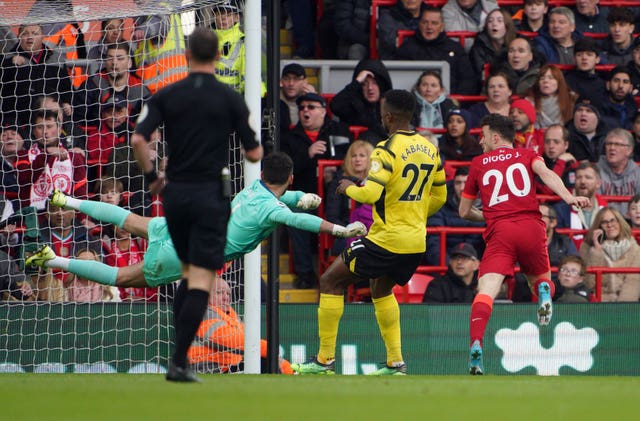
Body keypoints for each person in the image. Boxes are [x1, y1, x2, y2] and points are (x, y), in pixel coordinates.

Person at [26, 154, 366, 296]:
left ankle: (66, 200)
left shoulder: (253, 190)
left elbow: (283, 201)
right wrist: (339, 229)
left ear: (263, 174)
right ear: (290, 177)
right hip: (192, 253)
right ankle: (50, 259)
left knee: (131, 219)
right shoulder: (272, 210)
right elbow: (294, 218)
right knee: (123, 277)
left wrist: (300, 195)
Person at [131, 28, 263, 383]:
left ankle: (179, 358)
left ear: (187, 55)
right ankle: (179, 361)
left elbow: (139, 139)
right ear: (218, 56)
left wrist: (152, 178)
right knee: (201, 278)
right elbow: (254, 152)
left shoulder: (168, 93)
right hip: (208, 196)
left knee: (188, 274)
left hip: (174, 196)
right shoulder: (229, 98)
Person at [291, 89, 447, 376]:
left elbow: (371, 193)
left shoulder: (385, 150)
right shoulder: (430, 148)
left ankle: (324, 360)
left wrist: (347, 186)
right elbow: (440, 196)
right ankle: (395, 363)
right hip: (415, 241)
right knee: (381, 288)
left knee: (330, 280)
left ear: (387, 116)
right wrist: (412, 213)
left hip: (387, 240)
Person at [459, 113, 589, 375]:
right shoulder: (527, 155)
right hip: (531, 226)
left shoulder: (477, 163)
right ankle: (543, 291)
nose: (481, 142)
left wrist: (487, 214)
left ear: (495, 137)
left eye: (483, 136)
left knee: (486, 290)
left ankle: (476, 344)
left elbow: (463, 211)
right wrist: (569, 197)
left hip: (500, 231)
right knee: (540, 280)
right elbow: (547, 175)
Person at [281, 93, 353, 288]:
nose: (305, 111)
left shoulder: (339, 130)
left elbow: (351, 158)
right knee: (295, 216)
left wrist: (335, 168)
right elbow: (285, 170)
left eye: (311, 107)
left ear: (323, 111)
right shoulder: (289, 138)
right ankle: (305, 273)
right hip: (306, 197)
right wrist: (308, 154)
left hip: (337, 198)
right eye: (302, 107)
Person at [188, 276, 293, 374]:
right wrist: (270, 350)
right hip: (205, 367)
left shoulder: (230, 315)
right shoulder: (204, 312)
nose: (226, 298)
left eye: (228, 294)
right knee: (266, 362)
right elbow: (231, 341)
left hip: (225, 366)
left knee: (266, 361)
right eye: (219, 293)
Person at [0, 23, 73, 127]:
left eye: (34, 33)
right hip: (18, 123)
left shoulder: (55, 59)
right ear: (18, 37)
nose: (30, 37)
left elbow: (67, 88)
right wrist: (9, 65)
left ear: (42, 36)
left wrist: (67, 102)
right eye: (25, 34)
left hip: (50, 120)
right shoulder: (6, 59)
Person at [393, 6, 477, 95]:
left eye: (434, 23)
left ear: (442, 27)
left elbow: (467, 80)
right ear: (419, 24)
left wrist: (455, 102)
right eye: (425, 22)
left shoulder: (455, 49)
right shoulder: (407, 48)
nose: (429, 27)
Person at [15, 109, 88, 210]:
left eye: (49, 127)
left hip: (66, 217)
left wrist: (83, 219)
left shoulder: (74, 157)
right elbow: (23, 180)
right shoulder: (23, 155)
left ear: (59, 130)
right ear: (33, 131)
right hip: (33, 218)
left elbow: (81, 192)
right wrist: (47, 154)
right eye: (40, 127)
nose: (45, 132)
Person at [74, 42, 151, 128]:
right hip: (96, 139)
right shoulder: (91, 86)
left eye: (120, 58)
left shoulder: (140, 89)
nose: (114, 62)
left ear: (129, 63)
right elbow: (77, 122)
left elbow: (150, 124)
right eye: (110, 58)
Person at [425, 166, 485, 267]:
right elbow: (433, 243)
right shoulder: (440, 205)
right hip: (447, 268)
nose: (462, 188)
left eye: (466, 183)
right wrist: (450, 267)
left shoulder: (490, 207)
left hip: (478, 269)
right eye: (458, 183)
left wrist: (477, 267)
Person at [579, 206, 640, 302]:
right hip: (598, 303)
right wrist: (596, 252)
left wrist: (622, 308)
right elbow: (589, 284)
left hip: (625, 304)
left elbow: (632, 282)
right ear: (599, 226)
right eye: (604, 222)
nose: (610, 225)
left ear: (620, 222)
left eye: (613, 220)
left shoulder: (634, 248)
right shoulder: (587, 247)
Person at [324, 140, 374, 255]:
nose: (357, 159)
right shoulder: (338, 182)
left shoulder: (376, 182)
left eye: (362, 155)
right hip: (346, 233)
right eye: (354, 156)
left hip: (374, 233)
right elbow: (332, 216)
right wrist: (350, 231)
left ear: (370, 159)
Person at [330, 59, 392, 144]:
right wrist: (357, 81)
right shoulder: (353, 105)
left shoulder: (391, 106)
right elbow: (335, 105)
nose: (370, 88)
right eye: (364, 84)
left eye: (374, 83)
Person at [553, 162, 607, 249]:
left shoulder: (607, 210)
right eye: (579, 177)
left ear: (598, 183)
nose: (582, 181)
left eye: (588, 177)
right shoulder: (560, 209)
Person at [469, 8, 517, 88]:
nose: (494, 24)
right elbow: (478, 74)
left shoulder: (517, 43)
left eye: (499, 21)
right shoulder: (479, 46)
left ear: (507, 25)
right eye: (490, 21)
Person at [597, 128, 640, 215]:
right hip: (604, 222)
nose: (612, 148)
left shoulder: (638, 173)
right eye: (609, 144)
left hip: (631, 223)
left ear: (629, 150)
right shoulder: (595, 171)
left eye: (617, 144)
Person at [526, 64, 577, 129]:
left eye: (551, 78)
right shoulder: (529, 102)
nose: (545, 81)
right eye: (542, 78)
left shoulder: (571, 100)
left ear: (559, 82)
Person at [535, 124, 577, 195]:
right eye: (547, 142)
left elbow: (570, 194)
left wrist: (561, 163)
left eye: (556, 142)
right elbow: (547, 191)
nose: (551, 146)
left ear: (566, 145)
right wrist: (560, 163)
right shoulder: (538, 164)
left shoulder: (572, 164)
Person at [564, 37, 606, 104]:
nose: (584, 58)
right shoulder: (566, 82)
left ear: (597, 59)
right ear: (574, 59)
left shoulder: (603, 85)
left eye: (589, 55)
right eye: (579, 55)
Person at [279, 62, 316, 136]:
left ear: (305, 82)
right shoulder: (271, 101)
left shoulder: (311, 101)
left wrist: (313, 100)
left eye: (296, 79)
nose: (291, 83)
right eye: (287, 78)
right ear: (281, 81)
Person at [566, 99, 607, 163]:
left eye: (589, 111)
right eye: (579, 110)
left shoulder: (608, 138)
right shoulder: (564, 137)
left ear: (597, 117)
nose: (583, 114)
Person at [597, 66, 637, 131]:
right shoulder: (598, 111)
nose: (620, 86)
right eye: (616, 81)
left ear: (630, 88)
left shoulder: (634, 111)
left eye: (625, 82)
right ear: (608, 85)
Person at [539, 203, 578, 268]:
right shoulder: (523, 242)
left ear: (553, 222)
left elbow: (575, 265)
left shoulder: (565, 242)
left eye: (541, 216)